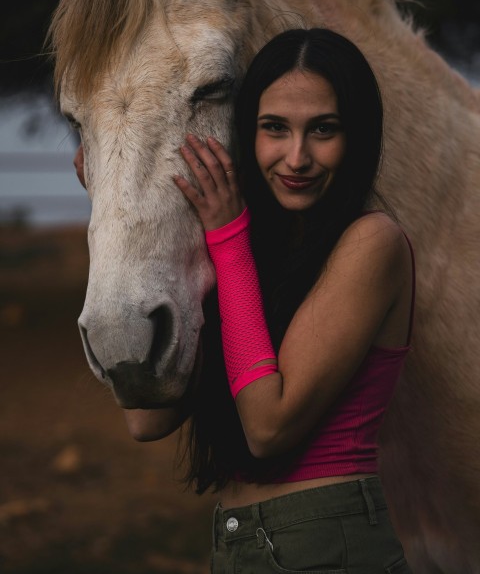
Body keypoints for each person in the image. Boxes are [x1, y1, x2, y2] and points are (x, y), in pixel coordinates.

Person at [74, 28, 414, 573]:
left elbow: (267, 427)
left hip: (334, 546)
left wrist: (228, 240)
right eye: (274, 128)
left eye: (323, 130)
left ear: (357, 138)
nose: (296, 157)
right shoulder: (253, 263)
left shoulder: (372, 243)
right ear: (245, 133)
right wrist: (110, 195)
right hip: (238, 548)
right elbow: (146, 419)